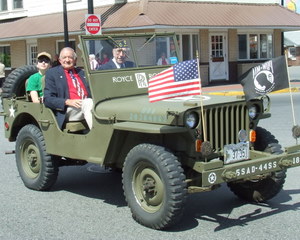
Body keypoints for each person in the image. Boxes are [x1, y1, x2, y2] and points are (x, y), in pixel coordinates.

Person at [44, 47, 93, 130]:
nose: (67, 60)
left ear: (75, 60)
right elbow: (48, 99)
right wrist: (67, 102)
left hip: (86, 107)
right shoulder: (52, 73)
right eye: (64, 57)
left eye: (70, 57)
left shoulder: (82, 72)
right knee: (88, 102)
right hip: (67, 109)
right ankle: (98, 135)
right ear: (59, 60)